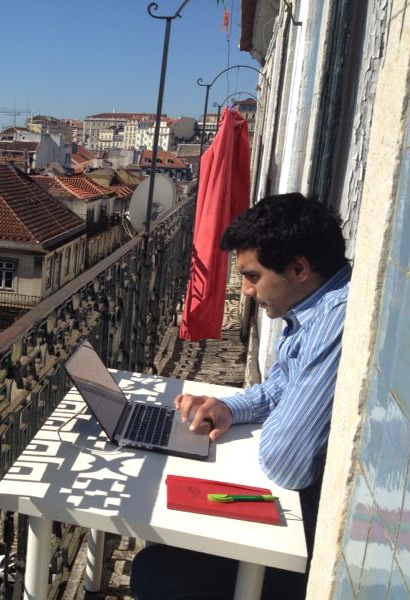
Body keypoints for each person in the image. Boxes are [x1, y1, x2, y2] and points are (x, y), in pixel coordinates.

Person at [130, 192, 351, 600]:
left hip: (319, 540)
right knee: (164, 544)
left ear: (298, 269)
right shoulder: (312, 311)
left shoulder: (336, 320)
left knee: (155, 573)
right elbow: (279, 388)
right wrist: (229, 407)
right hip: (304, 512)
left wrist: (276, 416)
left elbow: (286, 462)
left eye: (252, 276)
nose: (245, 291)